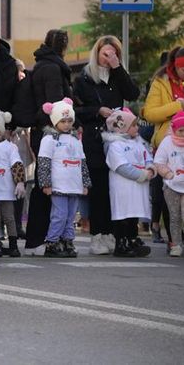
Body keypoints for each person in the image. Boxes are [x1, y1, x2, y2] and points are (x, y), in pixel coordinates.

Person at [73, 35, 140, 255]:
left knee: (116, 188)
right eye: (105, 54)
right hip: (95, 138)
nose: (108, 58)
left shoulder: (118, 75)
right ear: (97, 53)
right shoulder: (85, 77)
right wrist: (96, 111)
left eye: (113, 54)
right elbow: (75, 110)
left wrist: (117, 68)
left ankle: (113, 233)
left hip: (117, 139)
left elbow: (132, 93)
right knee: (99, 188)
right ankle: (98, 235)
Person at [25, 29, 72, 255]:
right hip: (50, 132)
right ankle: (43, 239)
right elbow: (56, 104)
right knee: (47, 187)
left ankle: (39, 239)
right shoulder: (54, 68)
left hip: (40, 130)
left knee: (43, 184)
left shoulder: (41, 65)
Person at [142, 46, 184, 249]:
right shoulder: (161, 82)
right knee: (171, 196)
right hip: (169, 144)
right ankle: (175, 240)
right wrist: (179, 106)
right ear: (175, 67)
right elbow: (149, 113)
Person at [37, 98, 91, 257]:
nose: (67, 124)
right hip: (59, 186)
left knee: (70, 217)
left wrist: (85, 183)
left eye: (69, 121)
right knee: (59, 215)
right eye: (63, 121)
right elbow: (44, 163)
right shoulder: (49, 139)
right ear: (54, 121)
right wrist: (46, 183)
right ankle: (52, 242)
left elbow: (82, 162)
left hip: (74, 186)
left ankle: (67, 241)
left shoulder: (75, 139)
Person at [102, 108, 153, 257]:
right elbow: (121, 167)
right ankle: (121, 242)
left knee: (133, 214)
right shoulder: (115, 145)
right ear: (121, 126)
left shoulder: (139, 143)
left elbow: (147, 157)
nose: (137, 128)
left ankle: (132, 239)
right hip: (123, 187)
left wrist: (150, 168)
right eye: (134, 125)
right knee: (123, 215)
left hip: (138, 186)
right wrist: (141, 175)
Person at [0, 110, 26, 257]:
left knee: (9, 218)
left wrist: (20, 182)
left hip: (7, 190)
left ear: (0, 130)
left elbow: (17, 164)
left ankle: (13, 245)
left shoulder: (9, 146)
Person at [154, 111, 184, 257]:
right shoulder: (167, 142)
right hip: (172, 186)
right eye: (181, 131)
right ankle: (176, 244)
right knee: (175, 216)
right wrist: (168, 174)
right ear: (174, 129)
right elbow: (159, 161)